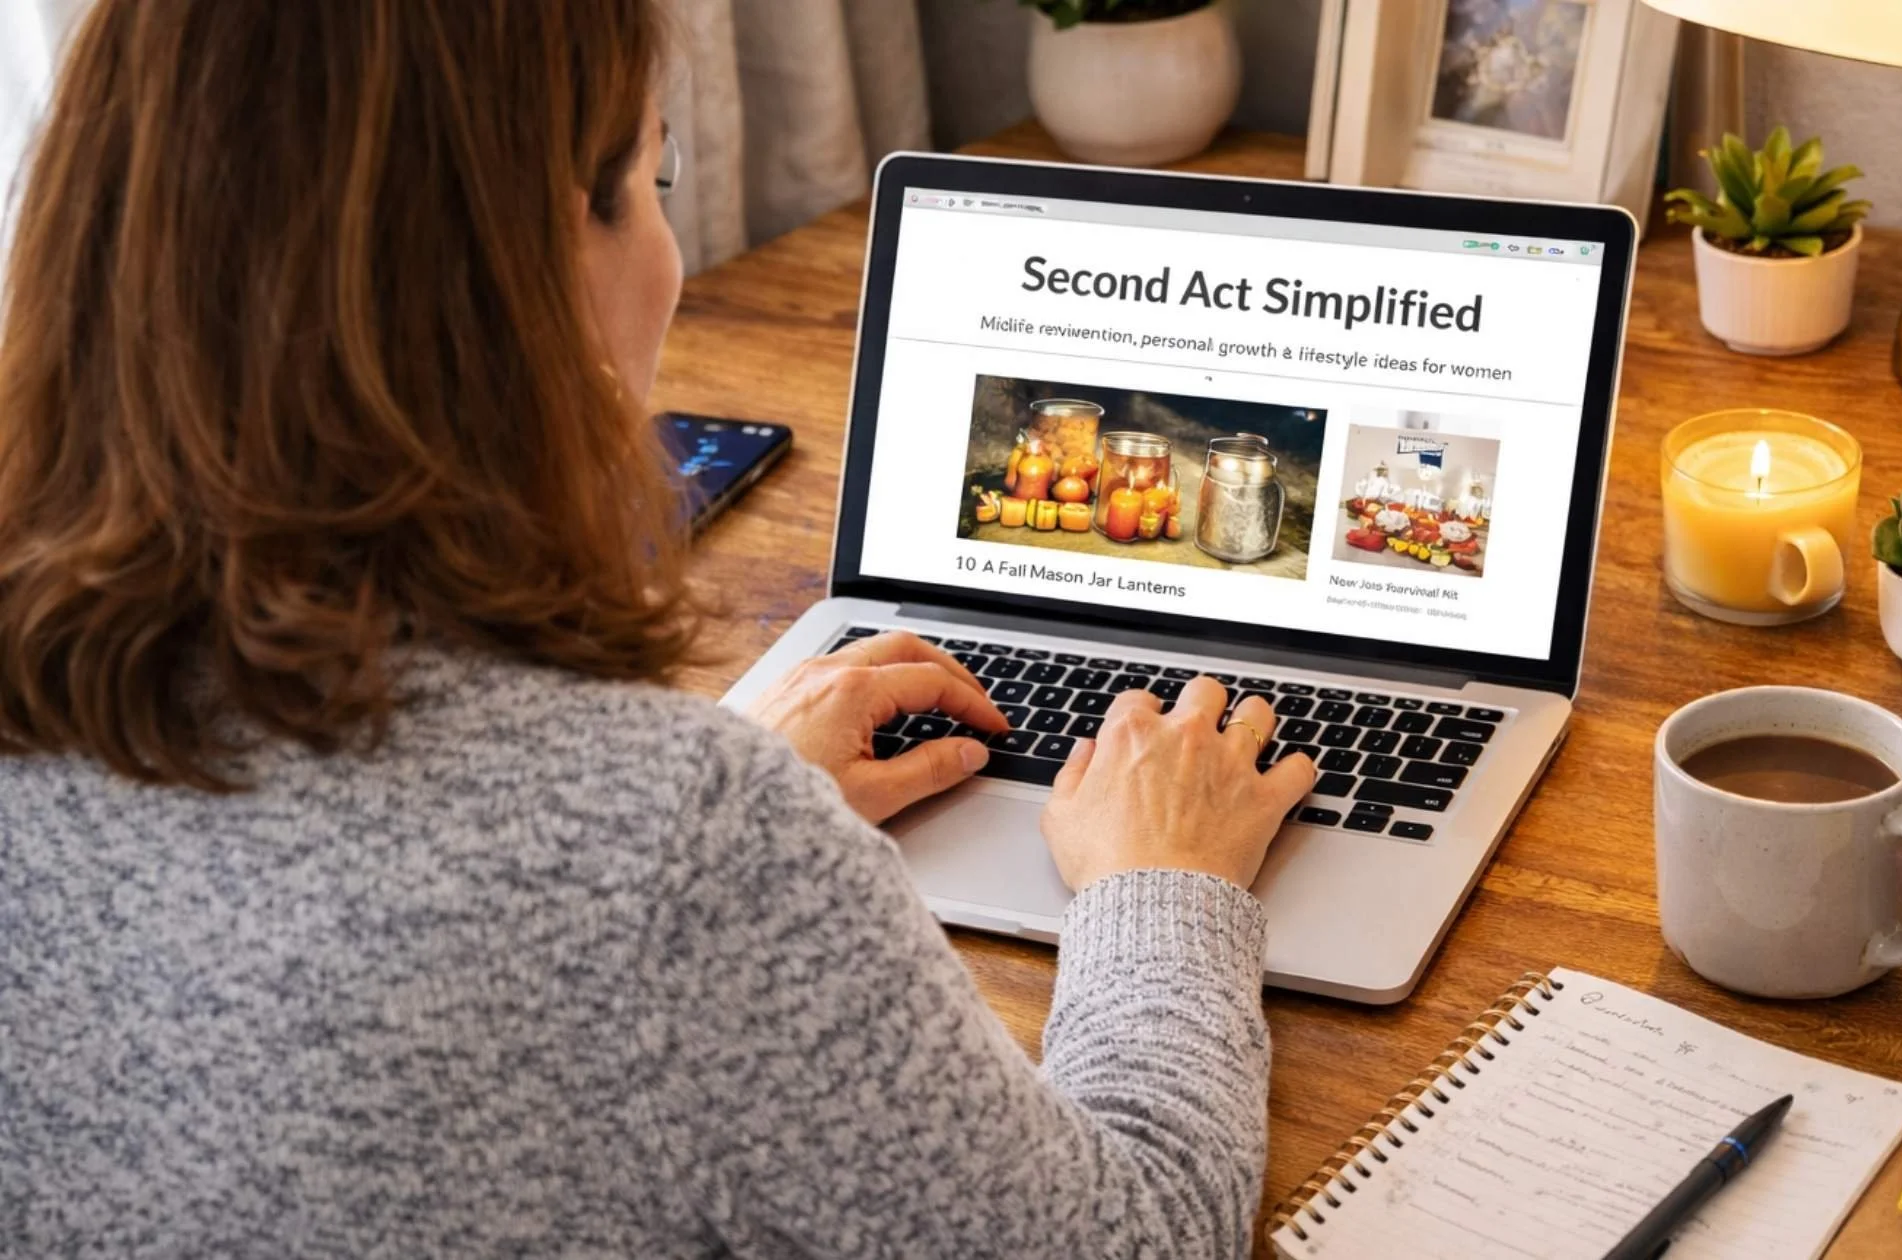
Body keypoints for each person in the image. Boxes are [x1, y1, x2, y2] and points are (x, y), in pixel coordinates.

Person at [0, 2, 1316, 1256]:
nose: (666, 260)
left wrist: (662, 810)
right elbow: (1135, 1239)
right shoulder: (688, 855)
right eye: (652, 181)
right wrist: (1164, 885)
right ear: (524, 271)